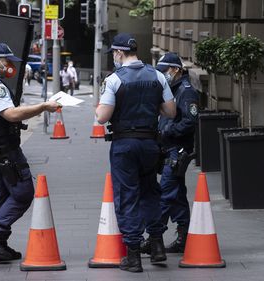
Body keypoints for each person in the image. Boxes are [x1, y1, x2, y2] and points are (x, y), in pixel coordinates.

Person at [0, 43, 60, 263]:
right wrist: (43, 107)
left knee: (0, 195)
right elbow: (10, 114)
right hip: (5, 151)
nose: (8, 65)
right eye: (6, 61)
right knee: (23, 193)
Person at [96, 33, 176, 273]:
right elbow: (170, 111)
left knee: (127, 195)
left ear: (119, 53)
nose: (114, 57)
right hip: (150, 143)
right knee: (150, 191)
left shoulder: (114, 80)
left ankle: (133, 255)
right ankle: (157, 244)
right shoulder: (158, 75)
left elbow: (102, 117)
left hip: (124, 145)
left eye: (114, 54)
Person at [141, 53, 199, 255]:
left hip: (177, 151)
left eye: (165, 70)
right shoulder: (171, 88)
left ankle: (154, 238)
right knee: (177, 196)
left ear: (175, 69)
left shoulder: (186, 91)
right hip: (168, 150)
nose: (162, 74)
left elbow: (189, 122)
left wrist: (166, 131)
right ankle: (184, 237)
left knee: (165, 194)